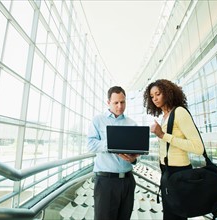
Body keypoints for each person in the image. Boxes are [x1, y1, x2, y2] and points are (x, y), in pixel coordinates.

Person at [143, 79, 204, 220]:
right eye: (152, 96)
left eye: (158, 94)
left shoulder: (180, 112)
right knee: (169, 215)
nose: (155, 99)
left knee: (176, 216)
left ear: (168, 93)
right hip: (167, 172)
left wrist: (163, 135)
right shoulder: (165, 117)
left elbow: (198, 147)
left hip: (179, 173)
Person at [87, 86, 139, 220]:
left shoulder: (132, 124)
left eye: (123, 102)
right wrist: (112, 144)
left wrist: (133, 159)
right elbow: (90, 145)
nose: (120, 106)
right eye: (116, 103)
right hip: (106, 182)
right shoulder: (98, 120)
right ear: (108, 102)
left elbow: (136, 155)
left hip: (127, 181)